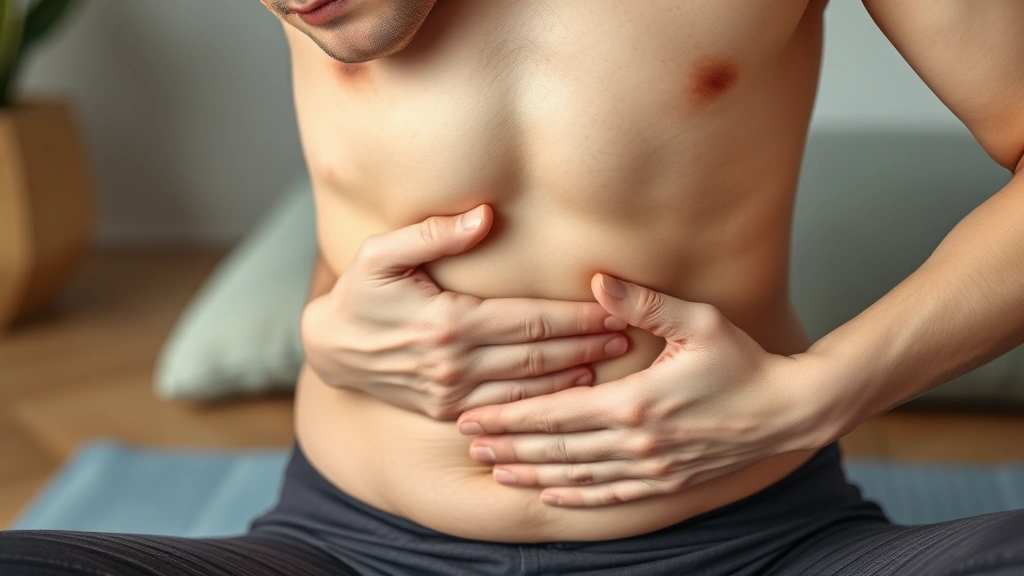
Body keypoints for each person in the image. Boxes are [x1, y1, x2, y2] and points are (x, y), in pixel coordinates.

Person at [3, 0, 1024, 574]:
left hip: (755, 546)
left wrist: (825, 387)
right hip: (343, 549)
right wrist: (325, 330)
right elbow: (371, 194)